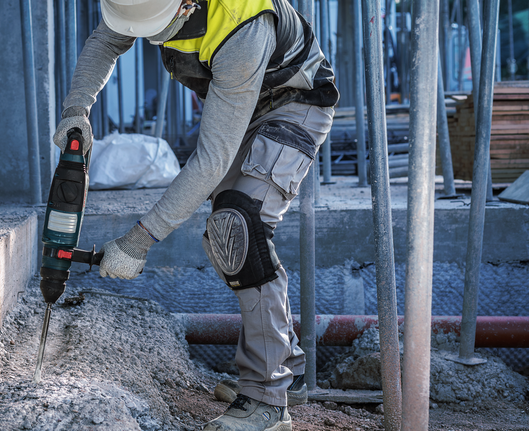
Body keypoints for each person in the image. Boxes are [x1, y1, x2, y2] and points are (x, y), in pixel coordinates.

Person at [53, 1, 339, 429]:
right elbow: (106, 41)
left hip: (293, 104)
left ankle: (266, 401)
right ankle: (286, 371)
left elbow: (210, 161)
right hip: (240, 105)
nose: (150, 38)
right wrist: (77, 110)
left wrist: (138, 240)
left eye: (157, 28)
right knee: (233, 238)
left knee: (238, 227)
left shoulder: (241, 23)